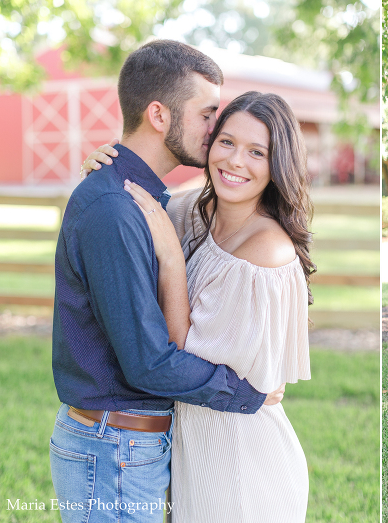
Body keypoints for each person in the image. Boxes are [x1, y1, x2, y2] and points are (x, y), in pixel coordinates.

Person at [51, 40, 285, 523]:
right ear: (159, 115)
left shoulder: (144, 197)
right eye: (206, 114)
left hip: (122, 445)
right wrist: (249, 394)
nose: (214, 129)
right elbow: (149, 364)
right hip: (113, 447)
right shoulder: (116, 209)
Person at [83, 91, 313, 522]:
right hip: (194, 456)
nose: (235, 161)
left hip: (243, 465)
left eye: (257, 152)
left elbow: (180, 355)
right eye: (226, 142)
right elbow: (128, 207)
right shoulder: (195, 210)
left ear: (278, 164)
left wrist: (172, 260)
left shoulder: (266, 251)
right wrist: (108, 166)